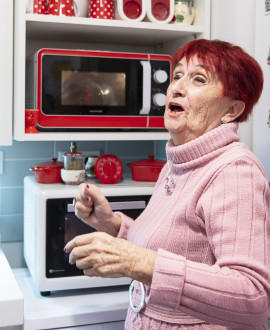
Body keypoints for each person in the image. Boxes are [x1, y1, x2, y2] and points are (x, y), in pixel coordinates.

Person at [64, 39, 270, 329]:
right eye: (177, 76)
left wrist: (137, 262)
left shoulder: (235, 171)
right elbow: (174, 246)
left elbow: (253, 296)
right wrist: (112, 224)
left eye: (199, 78)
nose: (176, 87)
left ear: (232, 109)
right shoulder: (178, 163)